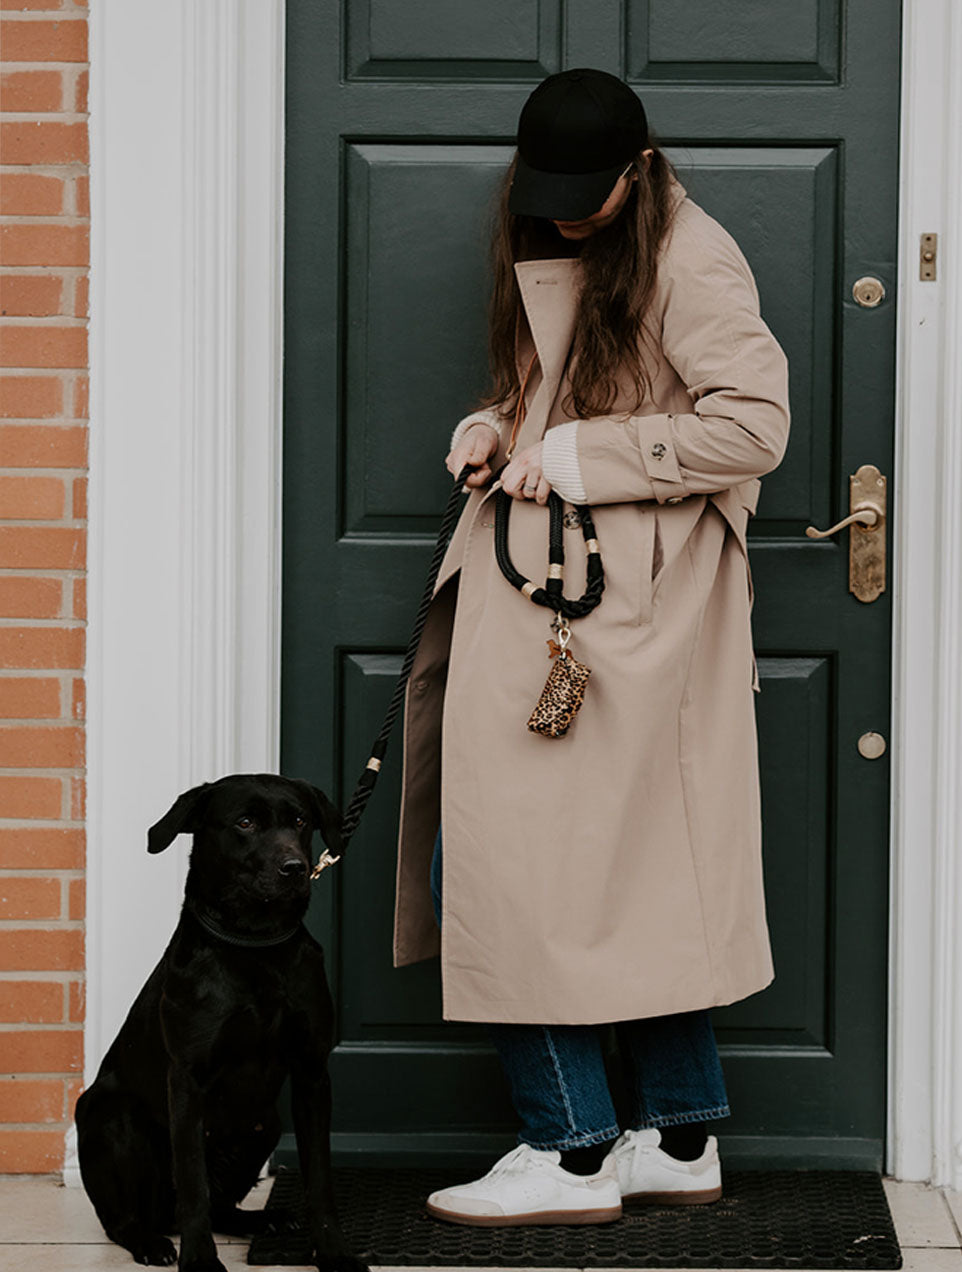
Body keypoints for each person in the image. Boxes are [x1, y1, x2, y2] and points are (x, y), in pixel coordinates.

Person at [392, 67, 790, 1227]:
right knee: (622, 879)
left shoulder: (688, 253)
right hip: (564, 592)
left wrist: (581, 460)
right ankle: (675, 1136)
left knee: (509, 866)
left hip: (620, 616)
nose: (565, 211)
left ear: (640, 167)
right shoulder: (574, 234)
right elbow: (560, 384)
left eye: (587, 193)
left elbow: (752, 425)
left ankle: (567, 1148)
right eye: (548, 189)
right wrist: (496, 428)